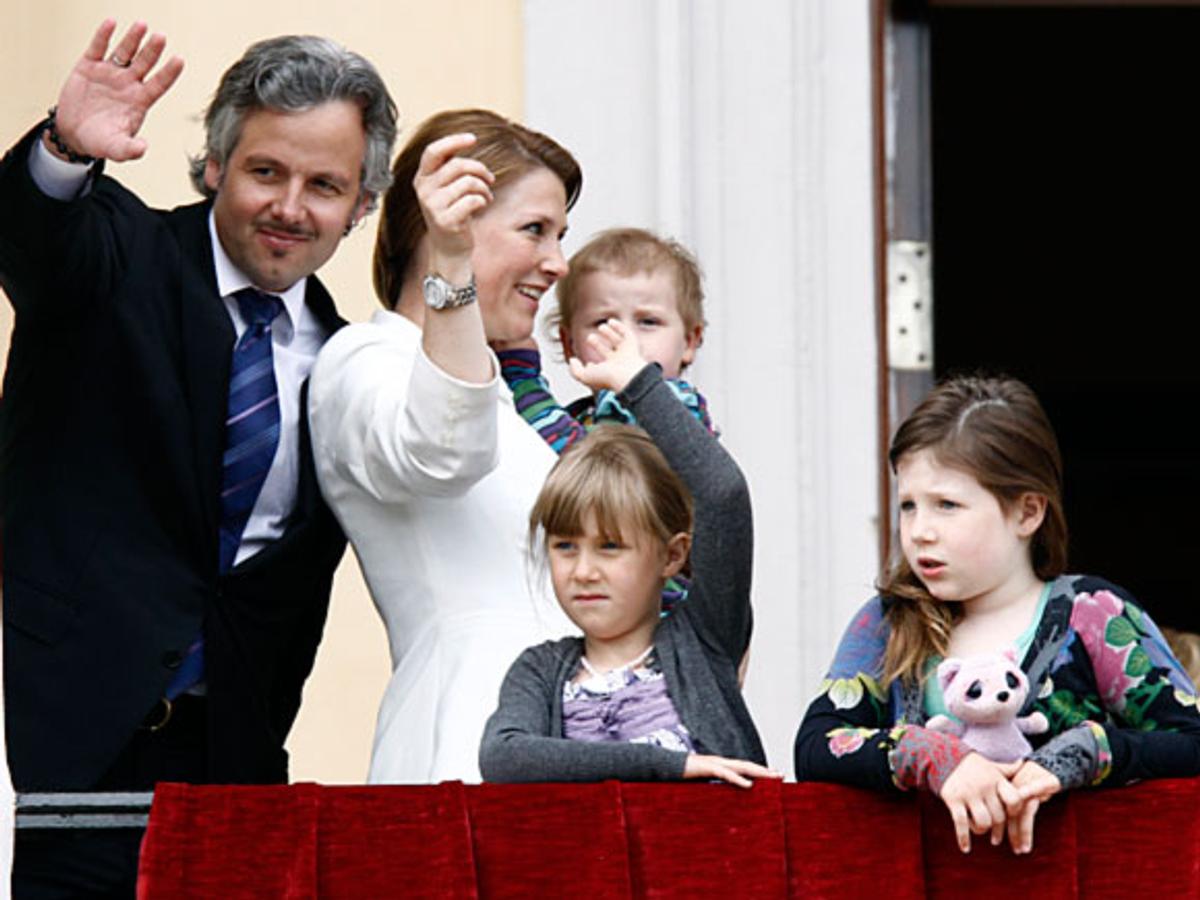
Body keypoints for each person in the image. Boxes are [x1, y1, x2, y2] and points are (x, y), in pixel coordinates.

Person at [0, 19, 396, 893]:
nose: (290, 207)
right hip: (73, 749)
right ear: (215, 164)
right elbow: (32, 241)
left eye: (325, 186)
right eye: (266, 172)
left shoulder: (348, 364)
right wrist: (66, 150)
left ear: (361, 206)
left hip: (235, 770)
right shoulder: (119, 255)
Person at [793, 374, 1200, 855]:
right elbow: (816, 746)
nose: (920, 531)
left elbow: (1190, 741)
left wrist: (1086, 752)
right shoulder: (889, 621)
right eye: (908, 506)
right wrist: (931, 754)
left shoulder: (1093, 614)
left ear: (1028, 513)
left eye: (947, 505)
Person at [308, 109, 581, 784]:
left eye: (560, 235)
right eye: (534, 230)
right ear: (446, 225)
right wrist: (452, 267)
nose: (558, 264)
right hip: (464, 737)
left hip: (563, 737)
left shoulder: (517, 401)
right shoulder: (362, 359)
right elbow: (442, 451)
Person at [479, 321, 776, 786]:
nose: (583, 571)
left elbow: (723, 496)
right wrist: (670, 765)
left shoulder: (705, 640)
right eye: (565, 546)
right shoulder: (539, 670)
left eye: (610, 546)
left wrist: (640, 384)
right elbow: (505, 757)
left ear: (672, 556)